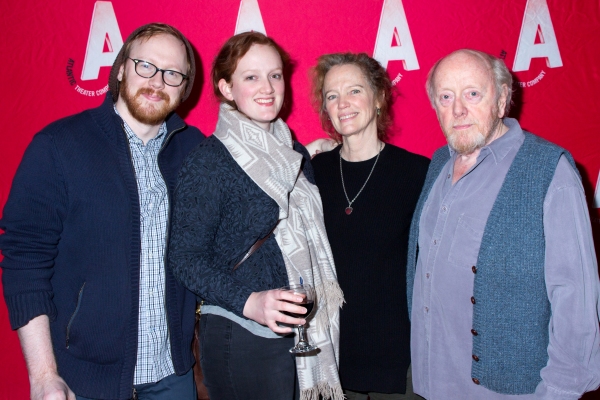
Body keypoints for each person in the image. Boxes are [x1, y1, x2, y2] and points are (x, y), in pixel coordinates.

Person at [0, 23, 204, 400]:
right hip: (84, 378)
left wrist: (297, 154)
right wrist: (44, 375)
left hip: (173, 375)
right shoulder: (58, 146)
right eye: (146, 65)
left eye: (172, 73)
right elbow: (24, 261)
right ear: (122, 67)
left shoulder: (194, 150)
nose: (157, 80)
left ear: (184, 86)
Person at [407, 49, 600, 399]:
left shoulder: (549, 171)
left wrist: (558, 393)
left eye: (473, 94)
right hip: (431, 384)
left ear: (502, 99)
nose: (459, 110)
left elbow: (577, 300)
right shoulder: (438, 164)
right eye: (446, 97)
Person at [168, 32, 344, 400]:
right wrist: (251, 302)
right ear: (226, 87)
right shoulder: (209, 162)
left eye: (275, 75)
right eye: (251, 77)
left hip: (301, 332)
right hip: (242, 336)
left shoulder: (292, 150)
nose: (267, 88)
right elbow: (184, 259)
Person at [310, 53, 429, 400]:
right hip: (330, 358)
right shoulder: (312, 174)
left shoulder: (417, 174)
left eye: (354, 91)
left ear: (378, 98)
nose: (343, 103)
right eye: (332, 95)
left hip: (399, 362)